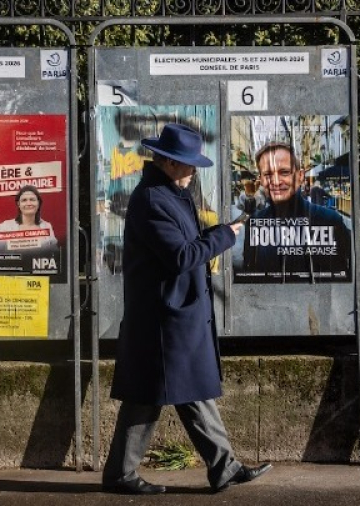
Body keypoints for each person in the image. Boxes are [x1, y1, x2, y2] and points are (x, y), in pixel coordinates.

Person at [103, 123, 271, 495]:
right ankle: (120, 475)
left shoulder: (168, 194)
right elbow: (181, 255)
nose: (194, 170)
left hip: (173, 314)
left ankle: (222, 467)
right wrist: (224, 234)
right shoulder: (152, 200)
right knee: (149, 396)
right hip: (162, 318)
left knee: (187, 390)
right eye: (188, 164)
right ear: (168, 162)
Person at [240, 141, 351, 279]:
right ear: (261, 180)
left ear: (300, 176)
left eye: (284, 172)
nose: (275, 181)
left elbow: (342, 278)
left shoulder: (329, 220)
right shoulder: (254, 223)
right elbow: (249, 275)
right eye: (268, 174)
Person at [0, 185, 57, 252]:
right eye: (24, 200)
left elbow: (55, 255)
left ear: (38, 203)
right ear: (18, 204)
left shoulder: (47, 226)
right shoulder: (3, 228)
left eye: (32, 199)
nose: (28, 203)